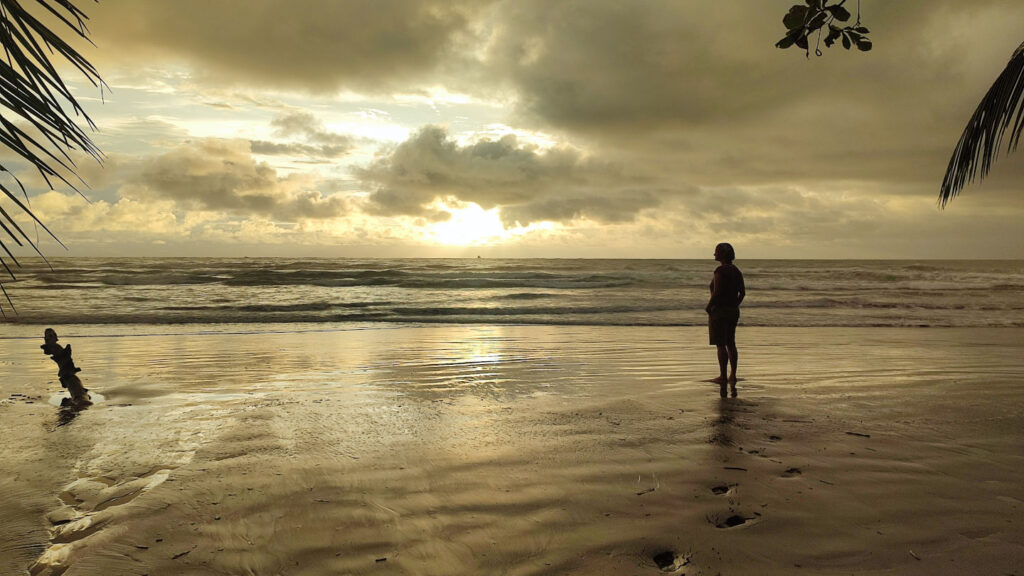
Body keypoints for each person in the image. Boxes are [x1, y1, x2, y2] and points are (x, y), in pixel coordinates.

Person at [706, 243, 745, 397]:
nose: (714, 254)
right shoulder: (736, 271)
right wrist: (735, 304)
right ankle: (733, 375)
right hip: (733, 310)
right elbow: (742, 293)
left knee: (720, 344)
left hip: (720, 310)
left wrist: (709, 307)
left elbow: (717, 292)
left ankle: (723, 375)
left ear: (722, 254)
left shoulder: (720, 270)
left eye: (716, 252)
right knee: (731, 343)